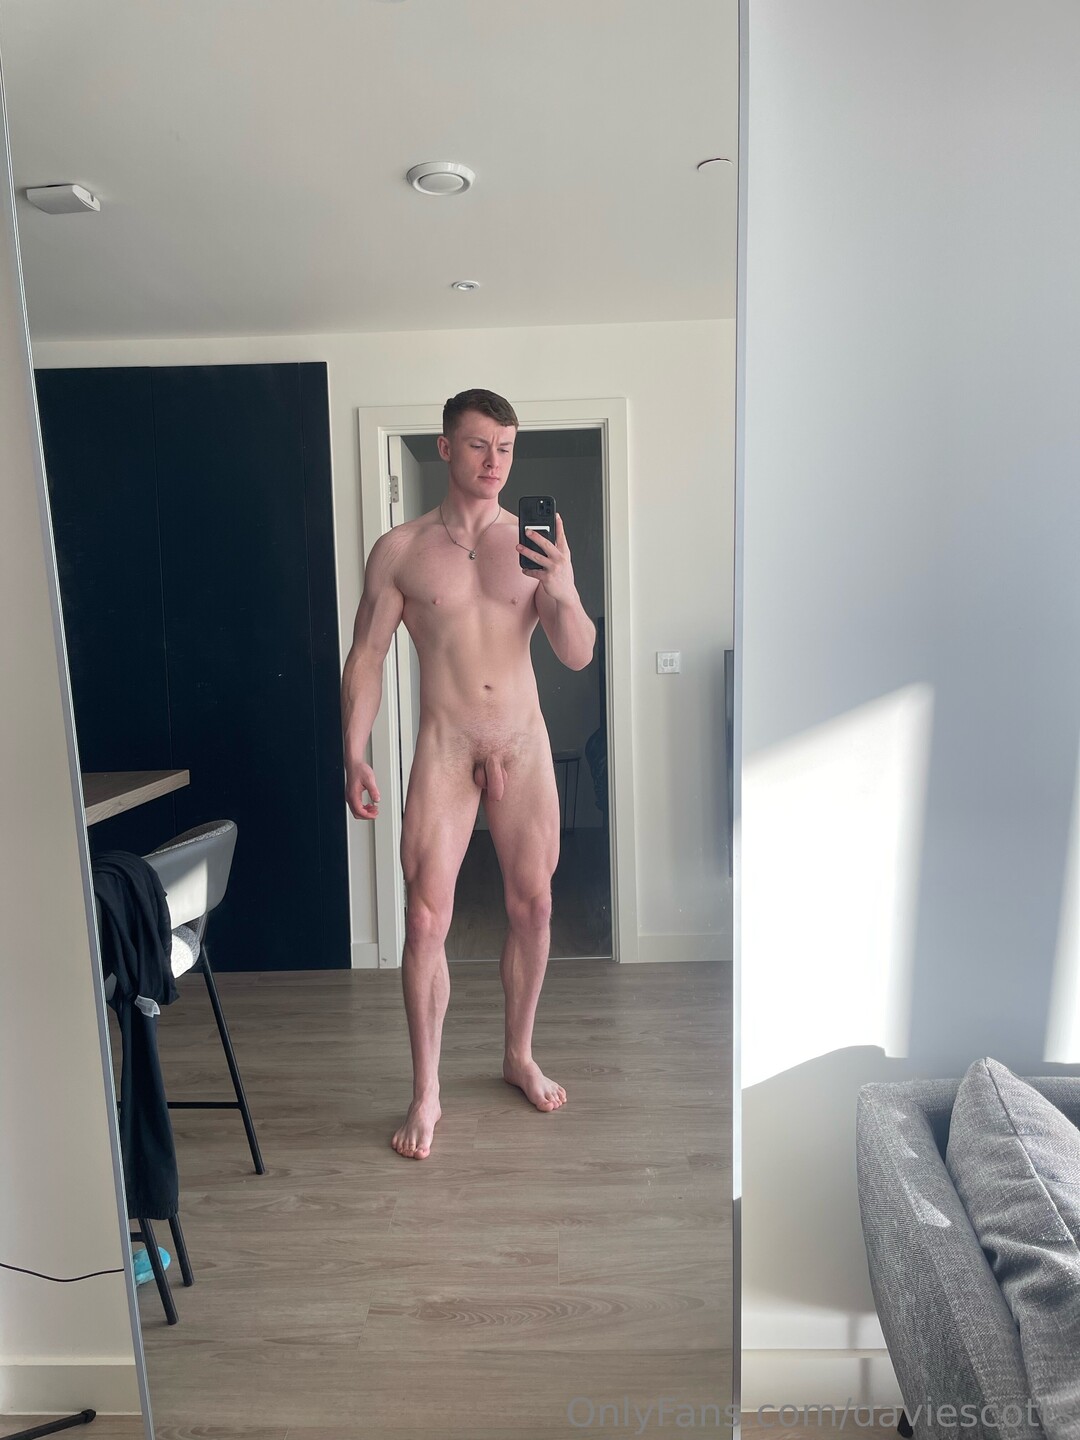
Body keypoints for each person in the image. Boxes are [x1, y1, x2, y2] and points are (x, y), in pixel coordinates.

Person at [341, 388, 596, 1159]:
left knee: (535, 906)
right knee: (425, 920)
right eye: (480, 445)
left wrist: (562, 590)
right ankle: (426, 1090)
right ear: (447, 447)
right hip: (446, 747)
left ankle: (519, 1053)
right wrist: (353, 750)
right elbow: (368, 656)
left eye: (506, 448)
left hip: (522, 743)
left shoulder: (535, 543)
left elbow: (577, 652)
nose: (495, 462)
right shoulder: (401, 551)